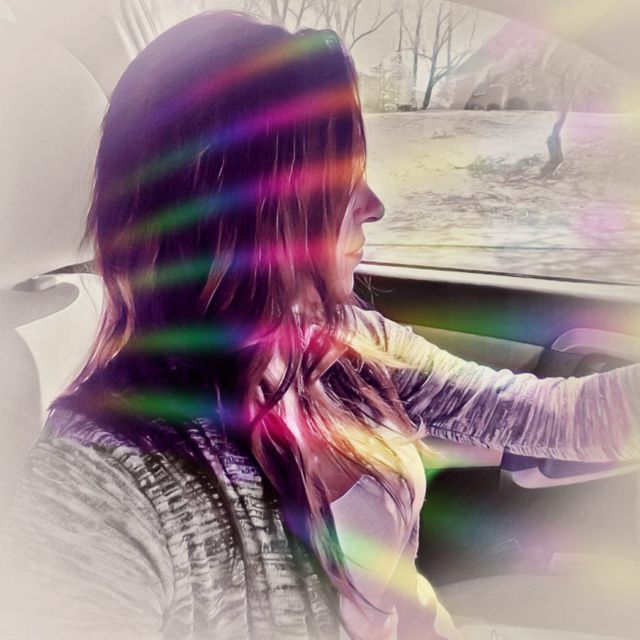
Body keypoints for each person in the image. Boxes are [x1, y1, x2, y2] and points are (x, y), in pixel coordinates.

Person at [0, 10, 639, 640]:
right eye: (338, 180)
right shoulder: (101, 483)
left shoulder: (348, 346)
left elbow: (562, 418)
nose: (375, 205)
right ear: (240, 205)